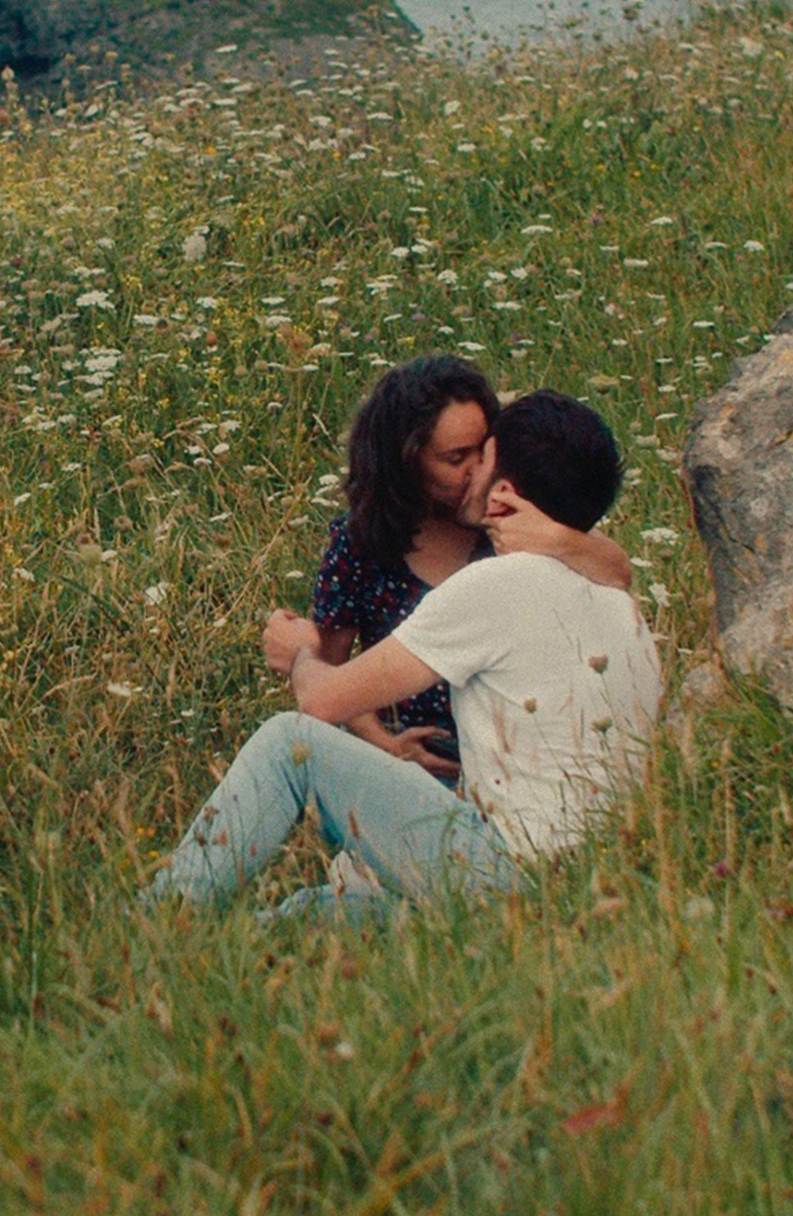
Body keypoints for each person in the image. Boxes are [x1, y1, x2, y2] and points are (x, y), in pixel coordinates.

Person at [140, 390, 662, 910]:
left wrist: (301, 654)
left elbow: (321, 703)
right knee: (321, 912)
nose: (469, 473)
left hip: (506, 871)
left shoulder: (497, 584)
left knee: (289, 742)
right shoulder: (622, 607)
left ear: (502, 493)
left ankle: (167, 914)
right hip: (582, 885)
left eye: (482, 458)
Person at [311, 355, 632, 783]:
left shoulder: (507, 520)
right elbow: (331, 670)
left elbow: (617, 570)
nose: (477, 468)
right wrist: (385, 744)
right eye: (455, 458)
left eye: (484, 449)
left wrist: (556, 537)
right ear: (407, 461)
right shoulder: (362, 541)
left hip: (510, 763)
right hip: (406, 758)